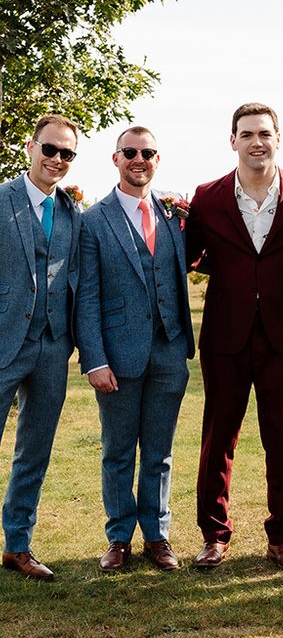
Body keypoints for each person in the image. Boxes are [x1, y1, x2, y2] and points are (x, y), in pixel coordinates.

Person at [185, 103, 283, 571]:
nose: (256, 141)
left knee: (281, 438)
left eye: (264, 133)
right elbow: (187, 256)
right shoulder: (207, 197)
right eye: (247, 134)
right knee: (217, 436)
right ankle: (214, 535)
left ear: (278, 138)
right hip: (224, 335)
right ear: (233, 141)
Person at [75, 127, 194, 572]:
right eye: (130, 152)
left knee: (160, 452)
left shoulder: (175, 212)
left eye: (147, 153)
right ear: (116, 159)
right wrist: (95, 359)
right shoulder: (93, 220)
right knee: (118, 450)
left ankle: (158, 537)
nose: (138, 159)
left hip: (169, 351)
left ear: (157, 159)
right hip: (118, 357)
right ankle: (119, 537)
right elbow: (86, 295)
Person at [0, 115, 81, 581]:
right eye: (49, 149)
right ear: (30, 147)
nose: (56, 160)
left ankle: (17, 545)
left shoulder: (72, 210)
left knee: (34, 451)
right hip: (3, 342)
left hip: (53, 347)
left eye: (66, 154)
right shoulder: (2, 199)